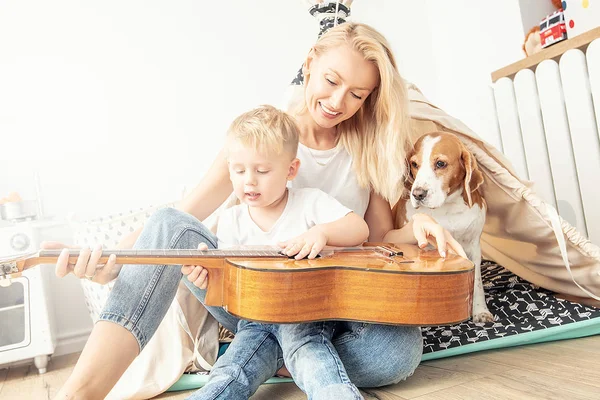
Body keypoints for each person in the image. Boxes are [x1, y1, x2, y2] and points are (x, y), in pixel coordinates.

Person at [51, 5, 467, 399]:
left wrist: (418, 228)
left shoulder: (370, 149)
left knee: (399, 352)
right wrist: (115, 260)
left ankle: (265, 355)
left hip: (328, 302)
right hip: (252, 293)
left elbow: (376, 240)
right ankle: (83, 392)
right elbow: (183, 213)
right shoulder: (262, 134)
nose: (339, 102)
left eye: (358, 94)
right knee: (168, 221)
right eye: (331, 80)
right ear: (309, 65)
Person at [188, 104, 367, 399]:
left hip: (306, 314)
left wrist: (321, 232)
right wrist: (207, 278)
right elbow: (231, 287)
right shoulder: (231, 221)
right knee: (231, 372)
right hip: (255, 321)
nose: (249, 180)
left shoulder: (310, 203)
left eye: (262, 170)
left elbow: (360, 229)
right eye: (239, 170)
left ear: (291, 170)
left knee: (315, 365)